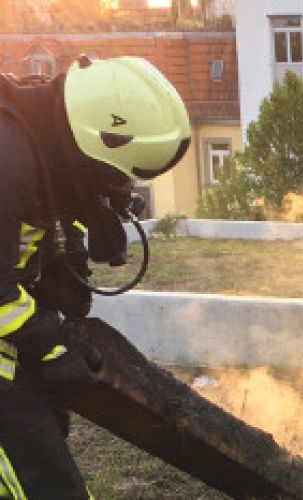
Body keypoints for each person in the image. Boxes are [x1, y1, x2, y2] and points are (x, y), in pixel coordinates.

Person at [0, 55, 191, 499]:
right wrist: (46, 338)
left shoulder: (44, 142)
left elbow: (43, 231)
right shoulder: (7, 164)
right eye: (115, 177)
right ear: (95, 145)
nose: (119, 188)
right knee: (46, 483)